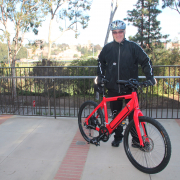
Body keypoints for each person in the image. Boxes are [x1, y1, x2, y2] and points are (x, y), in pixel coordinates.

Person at [97, 20, 156, 147]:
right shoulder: (107, 48)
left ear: (124, 32)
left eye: (120, 31)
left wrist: (150, 77)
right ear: (113, 33)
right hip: (113, 88)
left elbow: (146, 61)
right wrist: (100, 76)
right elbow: (100, 62)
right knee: (116, 116)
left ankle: (135, 140)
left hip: (130, 88)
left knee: (133, 117)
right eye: (115, 32)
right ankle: (118, 137)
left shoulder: (133, 47)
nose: (118, 34)